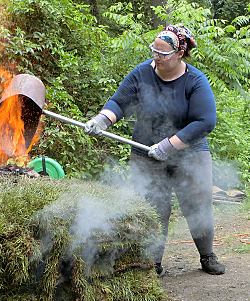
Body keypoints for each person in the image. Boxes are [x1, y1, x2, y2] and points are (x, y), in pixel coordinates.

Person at [85, 24, 225, 277]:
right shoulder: (141, 73)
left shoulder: (195, 81)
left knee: (196, 204)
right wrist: (103, 119)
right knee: (153, 206)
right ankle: (152, 263)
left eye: (162, 54)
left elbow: (206, 121)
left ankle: (207, 255)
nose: (156, 58)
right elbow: (119, 101)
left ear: (179, 54)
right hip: (145, 152)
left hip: (189, 154)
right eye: (154, 52)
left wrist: (170, 144)